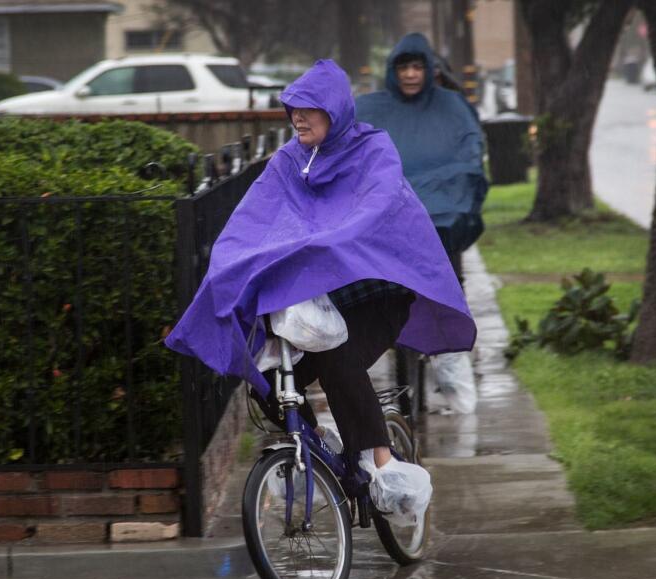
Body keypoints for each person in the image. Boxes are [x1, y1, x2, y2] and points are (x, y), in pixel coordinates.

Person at [164, 60, 475, 470]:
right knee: (267, 381)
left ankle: (382, 464)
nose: (297, 117)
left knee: (336, 358)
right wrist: (230, 263)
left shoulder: (373, 151)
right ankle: (316, 448)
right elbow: (251, 218)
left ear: (335, 111)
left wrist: (320, 243)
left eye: (308, 109)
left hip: (377, 296)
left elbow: (374, 209)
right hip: (316, 306)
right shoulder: (290, 160)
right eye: (293, 108)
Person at [355, 33, 488, 281]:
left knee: (442, 301)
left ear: (429, 69)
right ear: (392, 70)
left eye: (417, 67)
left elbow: (470, 155)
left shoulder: (452, 107)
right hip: (387, 232)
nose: (410, 74)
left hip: (441, 230)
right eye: (403, 67)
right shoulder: (370, 109)